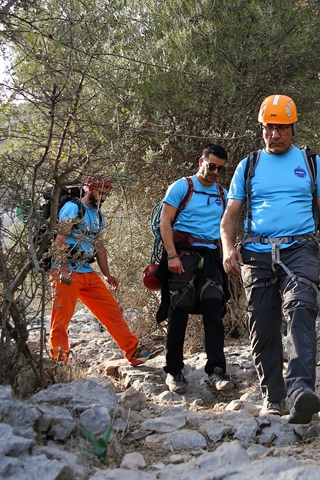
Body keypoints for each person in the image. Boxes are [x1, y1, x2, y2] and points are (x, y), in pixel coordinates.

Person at [221, 95, 320, 423]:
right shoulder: (249, 165)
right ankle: (273, 396)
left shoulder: (311, 162)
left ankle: (301, 391)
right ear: (262, 128)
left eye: (282, 128)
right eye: (269, 128)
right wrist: (229, 248)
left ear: (293, 128)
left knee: (302, 308)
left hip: (300, 249)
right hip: (257, 254)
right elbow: (230, 216)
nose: (275, 134)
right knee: (263, 324)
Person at [50, 173, 161, 366]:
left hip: (86, 271)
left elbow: (100, 247)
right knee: (61, 320)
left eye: (107, 194)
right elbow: (60, 240)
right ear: (89, 189)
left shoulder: (99, 215)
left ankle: (134, 351)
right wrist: (63, 270)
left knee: (112, 312)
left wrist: (107, 274)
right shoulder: (72, 208)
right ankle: (60, 361)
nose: (104, 198)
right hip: (66, 272)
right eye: (100, 192)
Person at [155, 144, 235, 394]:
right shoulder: (183, 186)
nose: (215, 172)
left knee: (214, 309)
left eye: (220, 169)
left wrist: (227, 254)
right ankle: (174, 371)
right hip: (182, 256)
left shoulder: (222, 194)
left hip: (210, 258)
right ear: (200, 161)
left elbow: (224, 227)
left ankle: (216, 371)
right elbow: (164, 222)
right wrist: (171, 256)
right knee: (178, 310)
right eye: (211, 166)